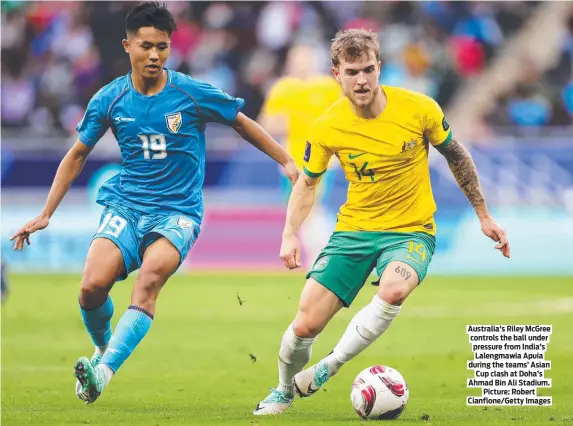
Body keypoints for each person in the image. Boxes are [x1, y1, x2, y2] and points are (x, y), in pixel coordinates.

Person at [9, 2, 298, 405]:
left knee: (148, 282)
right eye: (146, 46)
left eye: (162, 46)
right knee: (90, 289)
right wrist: (45, 214)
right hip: (126, 206)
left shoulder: (190, 92)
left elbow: (239, 120)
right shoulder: (110, 98)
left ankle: (104, 372)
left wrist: (285, 161)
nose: (155, 55)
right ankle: (104, 349)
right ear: (128, 45)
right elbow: (77, 154)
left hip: (178, 213)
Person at [254, 28, 510, 416]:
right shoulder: (327, 126)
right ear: (336, 73)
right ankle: (283, 389)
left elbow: (457, 156)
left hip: (412, 231)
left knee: (393, 289)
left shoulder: (419, 108)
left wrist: (484, 215)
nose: (362, 80)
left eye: (369, 70)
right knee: (305, 326)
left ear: (380, 68)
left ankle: (329, 366)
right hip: (355, 230)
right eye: (353, 71)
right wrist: (290, 234)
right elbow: (308, 183)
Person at [258, 43, 341, 266]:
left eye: (305, 58)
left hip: (323, 159)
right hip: (292, 160)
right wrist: (279, 124)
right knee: (298, 209)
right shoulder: (283, 88)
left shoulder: (328, 87)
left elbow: (342, 120)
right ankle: (322, 254)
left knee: (312, 206)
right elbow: (267, 123)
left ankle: (324, 254)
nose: (301, 63)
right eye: (297, 59)